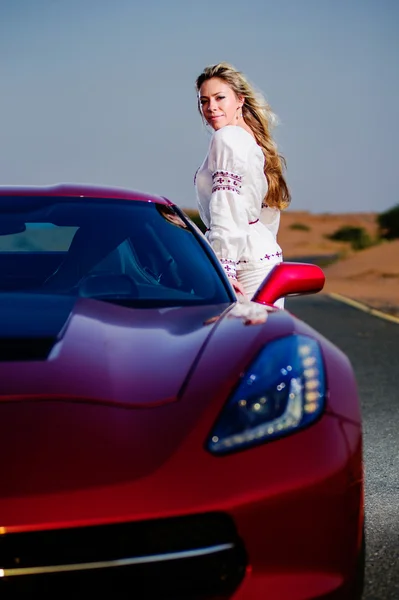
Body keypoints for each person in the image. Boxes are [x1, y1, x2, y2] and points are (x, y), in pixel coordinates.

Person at [194, 62, 291, 306]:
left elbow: (227, 207)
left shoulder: (227, 138)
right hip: (263, 264)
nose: (211, 107)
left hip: (242, 271)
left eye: (219, 98)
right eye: (204, 101)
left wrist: (225, 269)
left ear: (239, 100)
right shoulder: (249, 139)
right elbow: (264, 217)